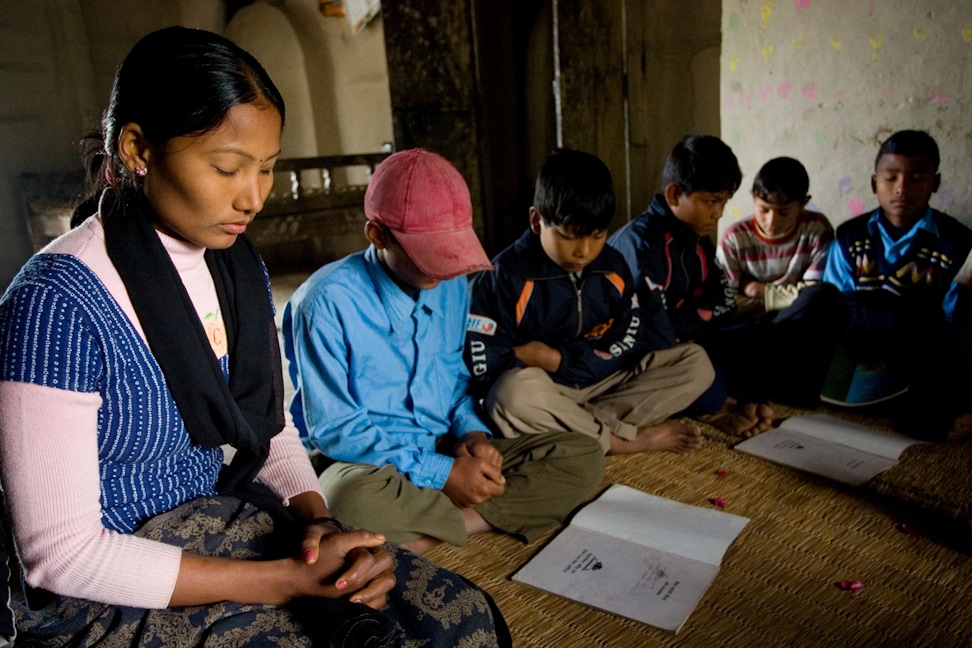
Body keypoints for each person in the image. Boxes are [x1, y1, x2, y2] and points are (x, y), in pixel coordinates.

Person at [0, 27, 508, 647]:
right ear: (138, 147)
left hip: (224, 519)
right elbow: (61, 555)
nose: (253, 197)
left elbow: (273, 431)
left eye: (266, 169)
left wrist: (319, 528)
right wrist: (282, 580)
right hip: (111, 582)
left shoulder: (238, 269)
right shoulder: (55, 306)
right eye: (226, 167)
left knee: (465, 620)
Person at [283, 148, 604, 555]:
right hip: (363, 464)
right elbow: (336, 431)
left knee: (584, 455)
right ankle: (470, 516)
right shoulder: (325, 302)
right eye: (430, 253)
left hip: (439, 446)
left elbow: (454, 378)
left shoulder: (451, 284)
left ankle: (434, 530)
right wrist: (441, 474)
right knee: (346, 501)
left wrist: (470, 434)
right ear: (377, 235)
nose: (445, 267)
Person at [465, 148, 713, 457]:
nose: (583, 251)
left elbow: (629, 333)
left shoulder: (612, 266)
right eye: (569, 236)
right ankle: (622, 440)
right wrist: (541, 367)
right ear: (536, 221)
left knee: (696, 364)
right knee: (509, 396)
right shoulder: (503, 278)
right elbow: (481, 358)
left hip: (603, 384)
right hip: (544, 389)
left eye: (597, 236)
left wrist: (558, 359)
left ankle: (580, 427)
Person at [609, 135, 773, 437]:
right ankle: (718, 405)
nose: (719, 212)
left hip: (686, 341)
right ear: (674, 194)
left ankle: (723, 399)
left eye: (724, 201)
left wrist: (684, 326)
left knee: (765, 336)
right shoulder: (641, 244)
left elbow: (724, 303)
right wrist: (689, 326)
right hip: (641, 354)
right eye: (711, 201)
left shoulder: (698, 242)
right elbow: (650, 331)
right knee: (695, 371)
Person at [823, 129, 972, 439]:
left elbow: (951, 319)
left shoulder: (956, 242)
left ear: (936, 183)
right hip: (859, 345)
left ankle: (940, 414)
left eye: (917, 178)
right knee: (812, 304)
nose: (902, 189)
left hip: (921, 350)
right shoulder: (850, 236)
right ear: (874, 182)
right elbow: (837, 304)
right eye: (891, 177)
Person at [715, 157, 846, 405]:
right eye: (763, 209)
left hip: (792, 324)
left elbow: (813, 293)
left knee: (825, 298)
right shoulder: (735, 237)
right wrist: (775, 299)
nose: (771, 221)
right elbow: (727, 301)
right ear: (753, 197)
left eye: (783, 212)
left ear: (804, 204)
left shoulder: (816, 229)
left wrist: (759, 290)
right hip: (751, 326)